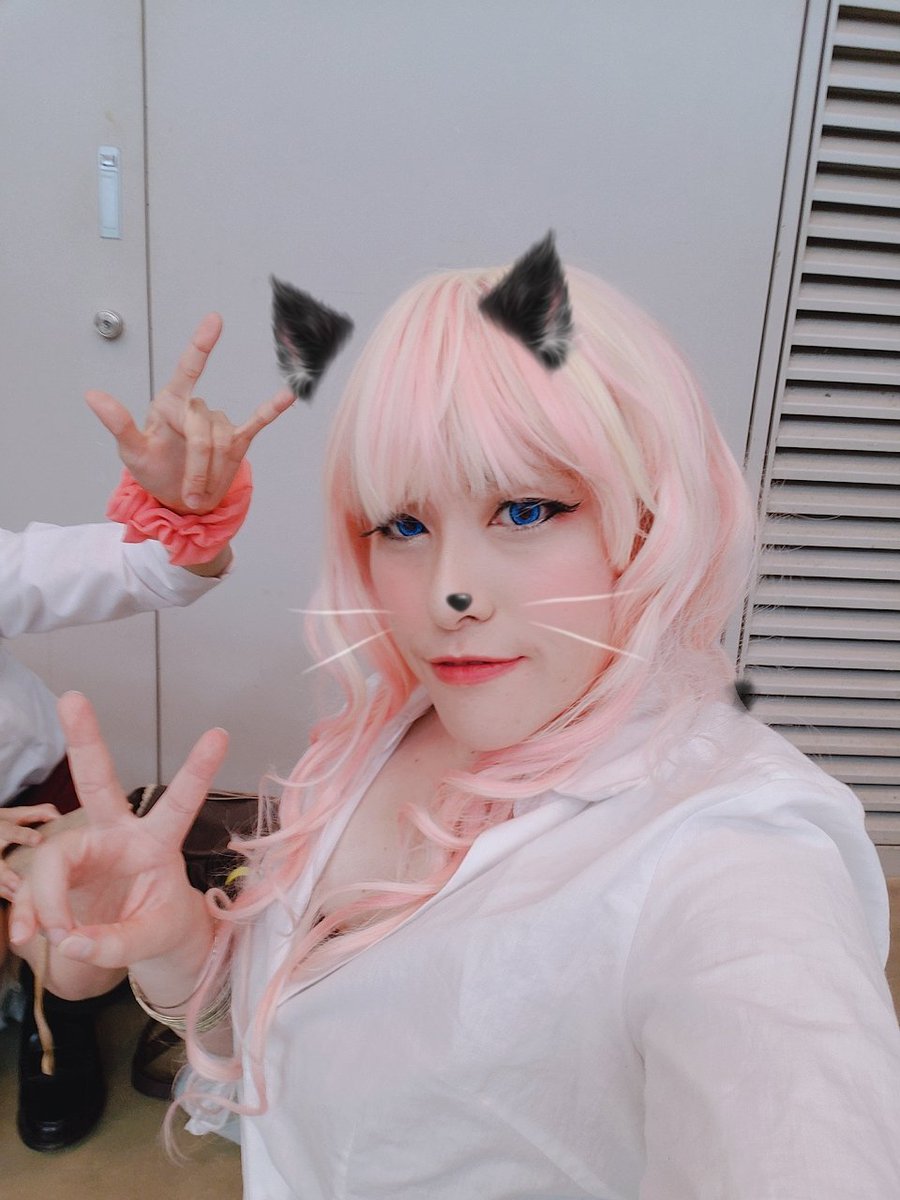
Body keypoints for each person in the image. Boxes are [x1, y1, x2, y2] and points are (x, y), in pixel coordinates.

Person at [10, 235, 900, 1197]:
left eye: (527, 510)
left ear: (650, 520)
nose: (448, 594)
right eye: (403, 525)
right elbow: (299, 1058)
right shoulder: (394, 727)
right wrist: (184, 947)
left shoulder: (734, 852)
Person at [1, 312, 293, 1151]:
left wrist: (187, 514)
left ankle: (58, 1023)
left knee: (76, 942)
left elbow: (139, 569)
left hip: (37, 802)